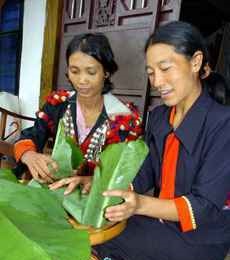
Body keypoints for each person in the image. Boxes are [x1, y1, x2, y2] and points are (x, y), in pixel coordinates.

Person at [93, 21, 230, 260]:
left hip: (201, 235)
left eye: (165, 68)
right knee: (99, 227)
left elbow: (205, 207)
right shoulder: (159, 117)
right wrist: (114, 189)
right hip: (157, 218)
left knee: (106, 242)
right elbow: (144, 169)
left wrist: (140, 205)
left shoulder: (222, 124)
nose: (156, 82)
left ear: (195, 62)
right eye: (151, 73)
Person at [14, 33, 142, 194]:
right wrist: (28, 155)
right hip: (54, 191)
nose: (82, 80)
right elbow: (32, 134)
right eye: (75, 71)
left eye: (91, 72)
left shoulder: (124, 119)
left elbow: (127, 171)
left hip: (97, 197)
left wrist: (94, 180)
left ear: (106, 72)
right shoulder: (58, 104)